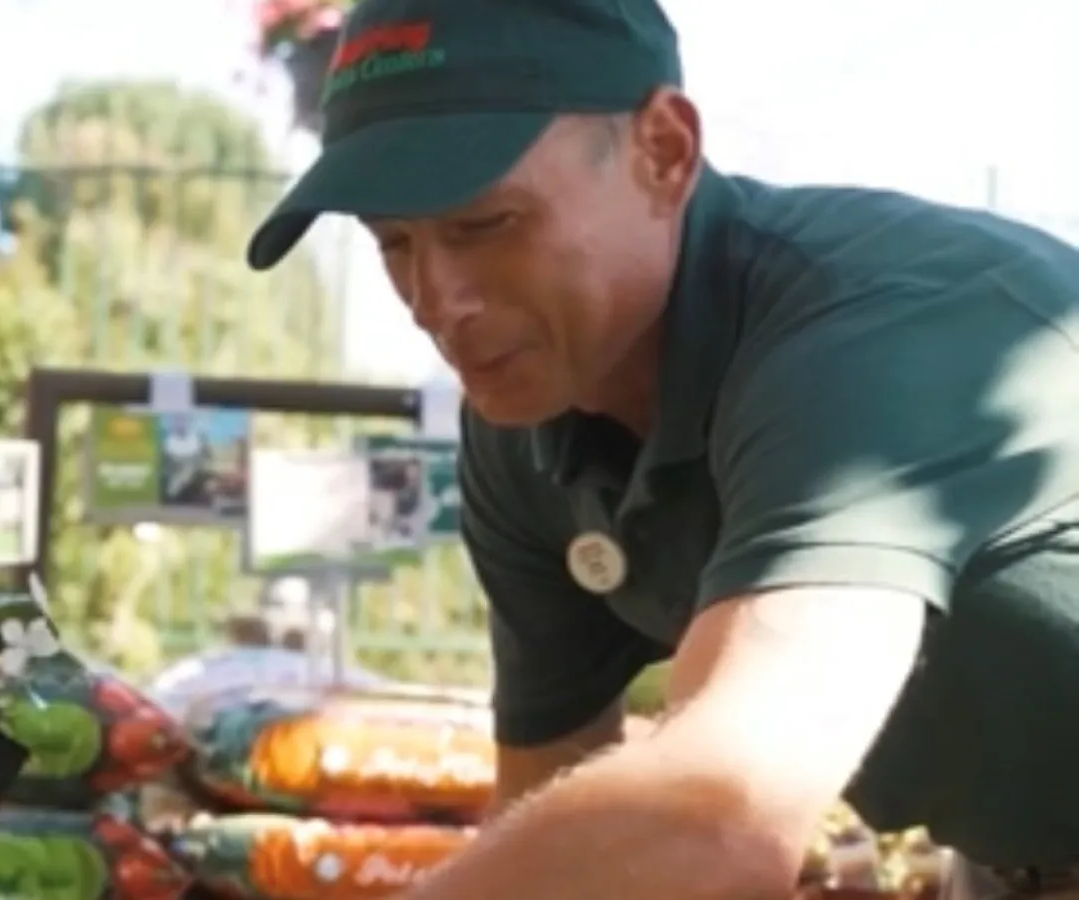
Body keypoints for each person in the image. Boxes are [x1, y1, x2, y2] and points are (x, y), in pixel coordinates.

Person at [245, 0, 1079, 898]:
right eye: (392, 242)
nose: (438, 299)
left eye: (485, 226)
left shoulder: (880, 332)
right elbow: (554, 797)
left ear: (664, 151)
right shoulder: (526, 423)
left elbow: (711, 825)